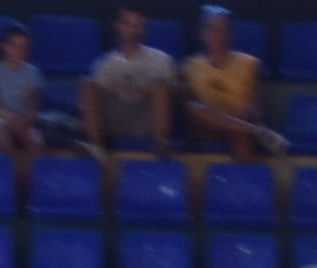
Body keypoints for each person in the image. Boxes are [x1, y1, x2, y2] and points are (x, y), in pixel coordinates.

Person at [181, 5, 281, 159]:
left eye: (224, 30)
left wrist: (244, 116)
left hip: (240, 126)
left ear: (230, 34)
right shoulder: (190, 65)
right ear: (203, 33)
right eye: (214, 30)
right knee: (195, 109)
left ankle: (241, 182)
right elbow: (188, 109)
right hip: (207, 129)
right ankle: (259, 132)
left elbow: (256, 108)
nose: (219, 36)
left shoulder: (250, 64)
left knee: (243, 137)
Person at [81, 6, 176, 156]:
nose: (131, 29)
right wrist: (117, 90)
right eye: (127, 24)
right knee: (88, 83)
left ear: (143, 28)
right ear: (118, 26)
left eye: (136, 25)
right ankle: (95, 145)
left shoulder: (161, 60)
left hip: (145, 121)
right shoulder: (103, 63)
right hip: (115, 120)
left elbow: (171, 95)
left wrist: (143, 92)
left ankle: (161, 143)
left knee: (161, 86)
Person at [0, 23, 48, 154]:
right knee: (1, 134)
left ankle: (34, 173)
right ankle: (6, 172)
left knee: (36, 141)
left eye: (23, 47)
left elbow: (33, 104)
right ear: (3, 46)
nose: (18, 50)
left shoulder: (33, 72)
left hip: (23, 119)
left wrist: (25, 119)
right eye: (13, 45)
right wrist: (9, 117)